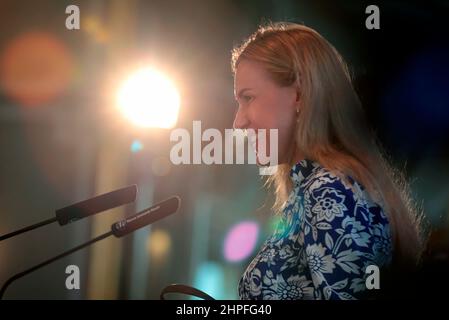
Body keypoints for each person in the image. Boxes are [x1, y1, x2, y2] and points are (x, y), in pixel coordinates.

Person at [232, 22, 424, 300]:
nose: (238, 121)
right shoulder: (320, 188)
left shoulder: (330, 190)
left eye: (248, 97)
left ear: (298, 94)